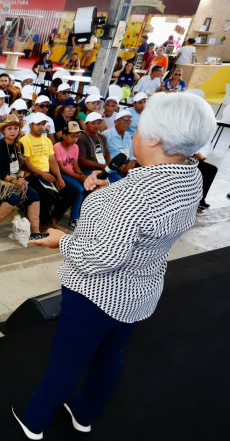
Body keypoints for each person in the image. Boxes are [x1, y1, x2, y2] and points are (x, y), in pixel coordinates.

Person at [14, 92, 216, 440]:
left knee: (67, 360)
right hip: (140, 290)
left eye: (138, 128)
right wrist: (108, 190)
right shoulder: (190, 175)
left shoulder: (132, 196)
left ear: (153, 138)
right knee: (110, 355)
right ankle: (85, 413)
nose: (132, 133)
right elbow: (144, 215)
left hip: (96, 294)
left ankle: (35, 420)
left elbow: (101, 257)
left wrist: (60, 239)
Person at [0, 116, 42, 238]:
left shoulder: (19, 145)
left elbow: (23, 166)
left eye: (16, 128)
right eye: (10, 128)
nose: (13, 131)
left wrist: (20, 177)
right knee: (13, 198)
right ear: (3, 131)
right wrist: (14, 180)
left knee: (35, 195)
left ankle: (35, 230)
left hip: (14, 178)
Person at [20, 113, 77, 230]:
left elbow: (52, 161)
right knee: (48, 194)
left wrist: (59, 177)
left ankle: (54, 219)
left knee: (72, 191)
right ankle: (44, 224)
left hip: (46, 174)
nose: (41, 127)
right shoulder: (25, 140)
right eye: (38, 124)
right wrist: (43, 174)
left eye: (43, 124)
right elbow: (27, 163)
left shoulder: (47, 140)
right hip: (32, 175)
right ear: (31, 125)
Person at [54, 121, 87, 228]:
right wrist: (79, 177)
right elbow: (62, 168)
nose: (75, 139)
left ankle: (82, 215)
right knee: (79, 189)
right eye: (72, 136)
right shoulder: (57, 147)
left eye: (77, 137)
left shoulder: (75, 147)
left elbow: (75, 165)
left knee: (87, 186)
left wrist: (83, 176)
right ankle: (74, 218)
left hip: (72, 174)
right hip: (62, 174)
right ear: (64, 135)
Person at [76, 113, 116, 181]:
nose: (96, 126)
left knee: (118, 180)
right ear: (86, 124)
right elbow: (82, 161)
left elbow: (107, 154)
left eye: (99, 123)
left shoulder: (102, 136)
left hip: (103, 167)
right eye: (93, 123)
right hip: (89, 170)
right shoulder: (81, 137)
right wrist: (103, 166)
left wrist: (108, 165)